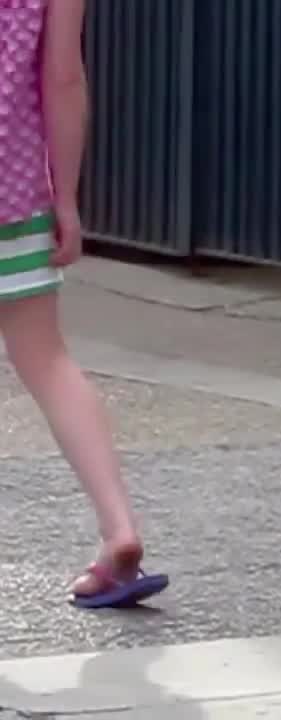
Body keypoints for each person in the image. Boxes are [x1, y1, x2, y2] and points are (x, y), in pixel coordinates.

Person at [0, 0, 168, 607]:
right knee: (47, 361)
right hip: (13, 194)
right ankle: (119, 526)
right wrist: (64, 198)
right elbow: (63, 77)